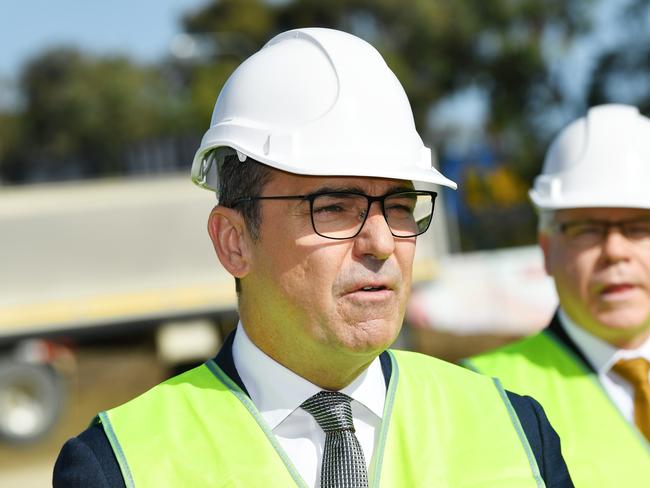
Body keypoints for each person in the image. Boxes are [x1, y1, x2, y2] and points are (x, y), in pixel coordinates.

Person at [54, 27, 571, 487]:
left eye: (399, 205)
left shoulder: (516, 429)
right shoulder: (119, 467)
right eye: (336, 208)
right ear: (234, 241)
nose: (383, 242)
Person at [465, 104, 650, 487]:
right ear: (547, 249)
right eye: (586, 229)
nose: (615, 250)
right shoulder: (481, 392)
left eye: (639, 227)